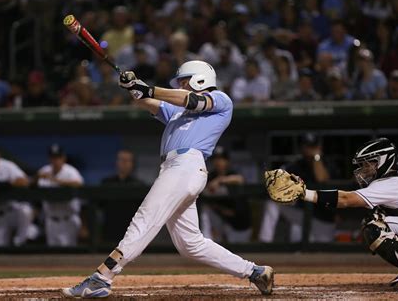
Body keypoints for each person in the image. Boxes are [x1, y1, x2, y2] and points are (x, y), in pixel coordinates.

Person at [62, 60, 274, 298]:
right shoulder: (178, 112)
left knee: (145, 218)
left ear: (200, 79)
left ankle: (102, 278)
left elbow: (192, 100)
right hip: (175, 169)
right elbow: (147, 101)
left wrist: (149, 88)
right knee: (190, 244)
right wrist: (132, 86)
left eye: (185, 80)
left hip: (186, 166)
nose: (181, 85)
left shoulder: (222, 100)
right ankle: (255, 271)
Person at [276, 137, 398, 288]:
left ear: (382, 161)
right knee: (378, 217)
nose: (364, 169)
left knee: (375, 227)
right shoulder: (397, 179)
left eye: (368, 164)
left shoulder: (390, 184)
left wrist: (305, 194)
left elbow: (346, 199)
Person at [259, 133, 336, 243]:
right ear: (302, 148)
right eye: (307, 146)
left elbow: (321, 180)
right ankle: (265, 241)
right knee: (273, 201)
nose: (310, 149)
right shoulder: (296, 166)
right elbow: (276, 183)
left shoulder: (327, 162)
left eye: (313, 146)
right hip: (303, 214)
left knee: (325, 253)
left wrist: (316, 157)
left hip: (323, 217)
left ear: (319, 147)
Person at [200, 146, 251, 243]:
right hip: (223, 219)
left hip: (239, 223)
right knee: (206, 209)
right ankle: (206, 243)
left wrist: (220, 180)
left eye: (221, 159)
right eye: (215, 159)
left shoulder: (233, 173)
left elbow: (240, 179)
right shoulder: (211, 176)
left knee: (238, 252)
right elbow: (204, 194)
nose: (218, 162)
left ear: (227, 161)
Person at [37, 144, 84, 247]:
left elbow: (79, 184)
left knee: (70, 255)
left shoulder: (70, 171)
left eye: (58, 157)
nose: (55, 161)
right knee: (52, 257)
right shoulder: (44, 171)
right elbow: (30, 183)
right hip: (51, 220)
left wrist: (57, 181)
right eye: (53, 157)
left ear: (63, 158)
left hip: (68, 220)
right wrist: (36, 178)